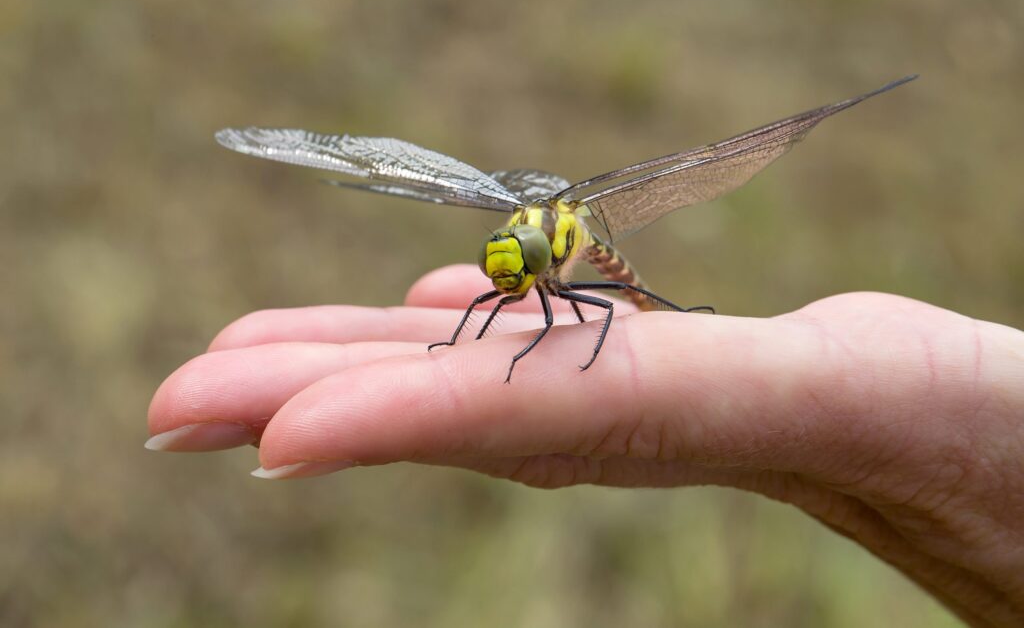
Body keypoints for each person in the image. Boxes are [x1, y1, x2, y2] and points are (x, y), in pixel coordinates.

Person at [147, 264, 1024, 627]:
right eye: (503, 259)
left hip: (616, 293)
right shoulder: (517, 268)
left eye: (516, 258)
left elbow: (580, 318)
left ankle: (665, 307)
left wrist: (542, 350)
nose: (502, 269)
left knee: (597, 312)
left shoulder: (573, 272)